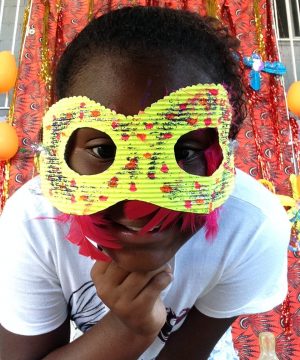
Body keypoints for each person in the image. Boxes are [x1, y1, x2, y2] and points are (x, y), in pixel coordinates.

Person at [0, 6, 290, 360]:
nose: (140, 207)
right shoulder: (32, 225)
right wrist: (128, 329)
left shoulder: (253, 227)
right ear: (57, 145)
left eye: (184, 151)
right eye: (103, 149)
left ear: (224, 148)